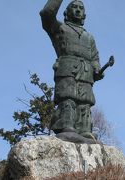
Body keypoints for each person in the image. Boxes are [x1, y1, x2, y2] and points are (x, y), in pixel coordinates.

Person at [40, 0, 104, 140]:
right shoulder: (60, 28)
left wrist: (97, 68)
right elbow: (46, 14)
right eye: (74, 7)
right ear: (67, 12)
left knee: (84, 101)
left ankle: (84, 129)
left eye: (81, 8)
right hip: (67, 68)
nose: (78, 10)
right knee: (68, 97)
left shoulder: (89, 37)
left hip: (86, 73)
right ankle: (66, 125)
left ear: (84, 14)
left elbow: (94, 57)